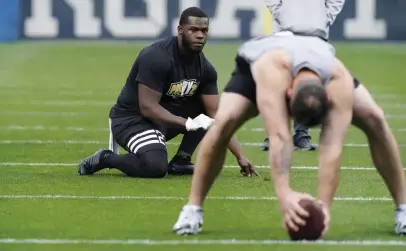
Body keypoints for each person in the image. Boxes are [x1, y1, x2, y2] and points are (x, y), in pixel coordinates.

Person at [171, 31, 406, 236]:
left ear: (328, 97)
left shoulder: (338, 81)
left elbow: (332, 147)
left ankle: (403, 209)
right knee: (224, 122)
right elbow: (279, 137)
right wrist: (283, 195)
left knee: (375, 118)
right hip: (257, 66)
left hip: (316, 62)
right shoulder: (272, 71)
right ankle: (193, 208)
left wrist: (324, 208)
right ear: (289, 92)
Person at [77, 7, 258, 179]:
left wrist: (240, 156)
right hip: (132, 120)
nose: (200, 35)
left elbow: (217, 115)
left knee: (206, 110)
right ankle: (106, 158)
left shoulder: (206, 69)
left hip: (163, 120)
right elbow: (147, 107)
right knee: (155, 167)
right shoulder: (156, 57)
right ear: (180, 29)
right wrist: (187, 123)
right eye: (193, 29)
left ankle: (181, 160)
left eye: (204, 30)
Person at [261, 0, 346, 151]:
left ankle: (302, 134)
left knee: (309, 78)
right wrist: (281, 14)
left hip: (316, 32)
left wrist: (325, 18)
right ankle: (275, 135)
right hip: (284, 31)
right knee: (280, 80)